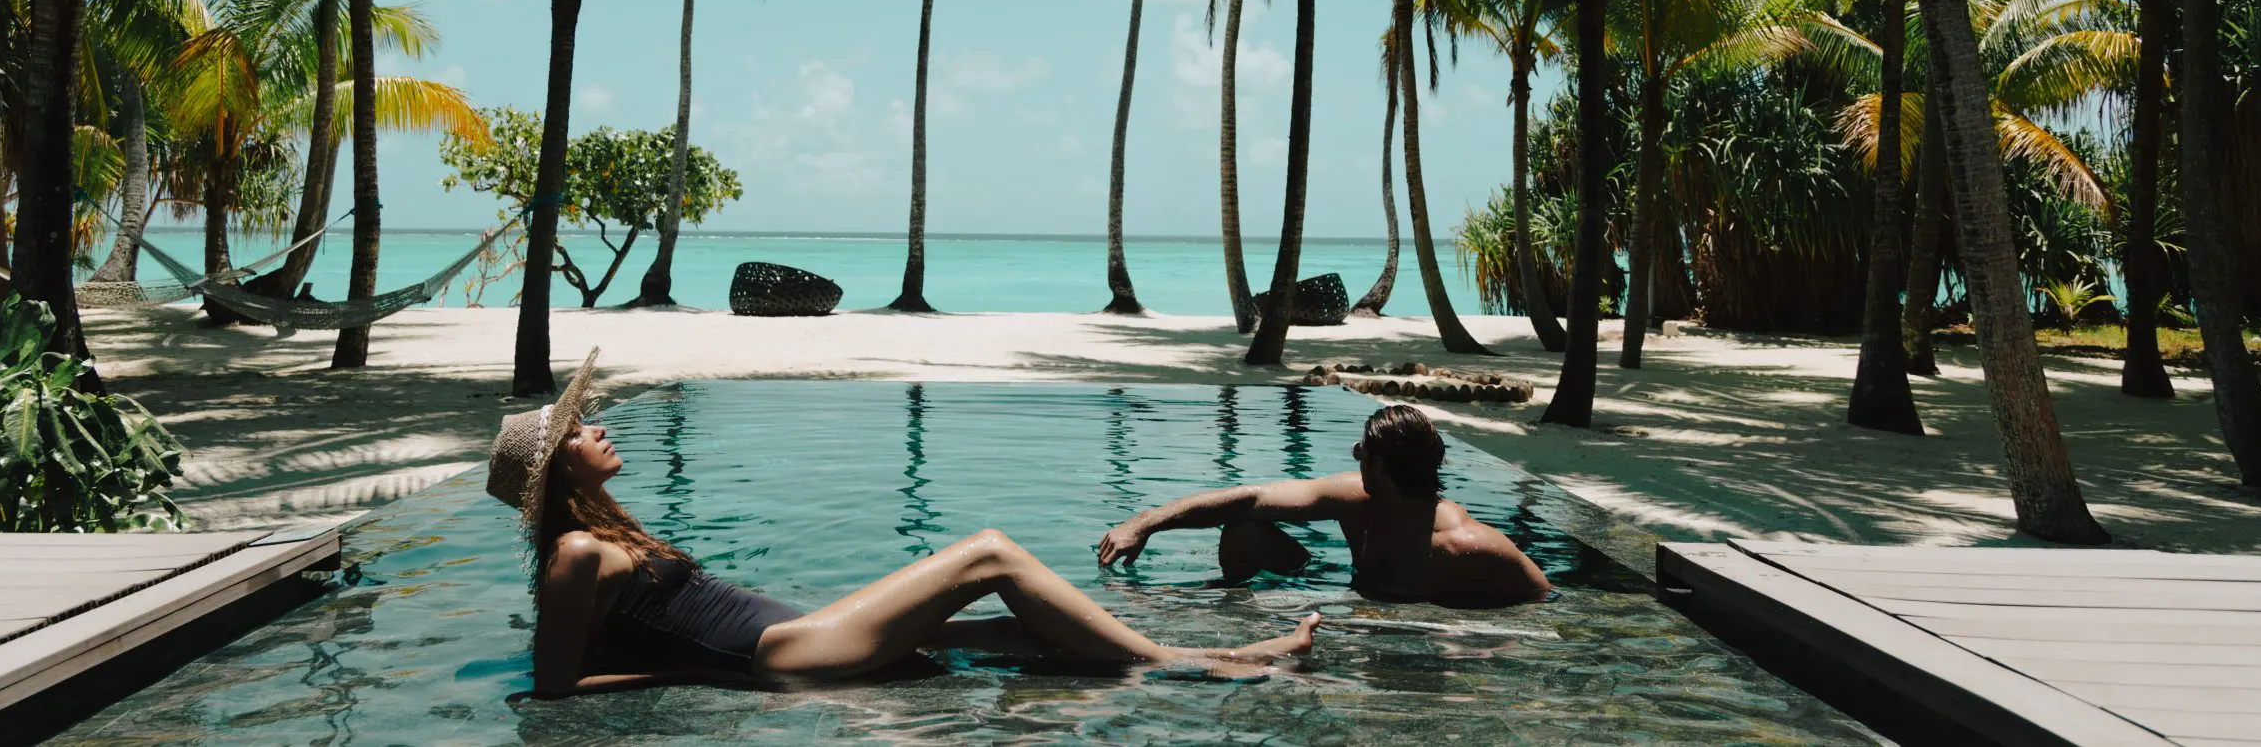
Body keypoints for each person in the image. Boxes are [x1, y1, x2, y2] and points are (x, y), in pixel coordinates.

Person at [495, 350, 1321, 697]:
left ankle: (1201, 657)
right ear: (557, 469)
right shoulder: (574, 550)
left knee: (1019, 628)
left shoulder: (605, 535)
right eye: (577, 428)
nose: (595, 425)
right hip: (787, 656)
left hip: (802, 633)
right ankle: (1201, 664)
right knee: (990, 553)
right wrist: (694, 676)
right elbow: (554, 688)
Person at [1097, 403, 1550, 607]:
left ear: (1381, 467)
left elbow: (1542, 594)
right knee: (1244, 529)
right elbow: (1249, 497)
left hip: (1406, 607)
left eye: (1362, 451)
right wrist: (1146, 523)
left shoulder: (1465, 543)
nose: (1355, 454)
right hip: (1336, 584)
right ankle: (1229, 602)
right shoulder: (1355, 498)